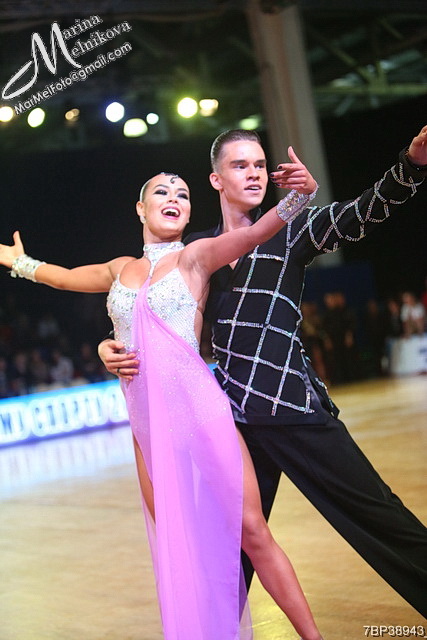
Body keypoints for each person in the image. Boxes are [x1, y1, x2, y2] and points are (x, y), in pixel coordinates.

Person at [100, 124, 427, 618]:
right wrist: (108, 347)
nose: (253, 173)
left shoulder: (290, 230)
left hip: (293, 408)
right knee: (229, 548)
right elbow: (141, 310)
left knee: (379, 516)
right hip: (233, 421)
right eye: (240, 165)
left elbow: (362, 213)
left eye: (259, 165)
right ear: (216, 179)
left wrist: (412, 165)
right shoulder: (196, 253)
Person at [0, 159, 324, 640]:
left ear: (189, 212)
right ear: (140, 208)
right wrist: (19, 264)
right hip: (147, 425)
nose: (174, 198)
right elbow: (63, 277)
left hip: (200, 412)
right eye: (162, 192)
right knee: (178, 544)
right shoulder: (119, 269)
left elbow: (257, 233)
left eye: (183, 194)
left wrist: (301, 196)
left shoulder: (196, 256)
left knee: (252, 531)